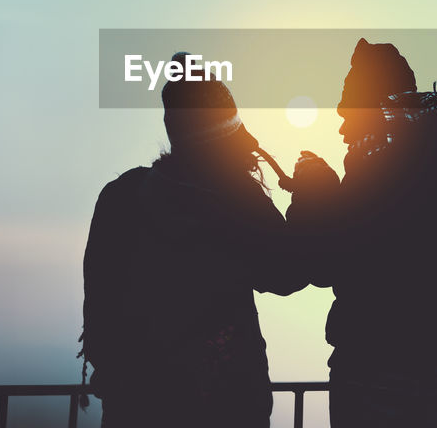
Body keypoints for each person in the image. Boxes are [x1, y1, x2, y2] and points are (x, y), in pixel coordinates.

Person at [81, 52, 307, 428]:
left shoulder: (120, 197)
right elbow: (288, 274)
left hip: (138, 403)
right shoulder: (236, 198)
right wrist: (310, 200)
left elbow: (100, 305)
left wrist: (118, 377)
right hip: (228, 403)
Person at [286, 38, 437, 428]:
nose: (340, 121)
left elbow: (329, 264)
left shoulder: (379, 163)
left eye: (348, 105)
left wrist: (316, 192)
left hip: (373, 365)